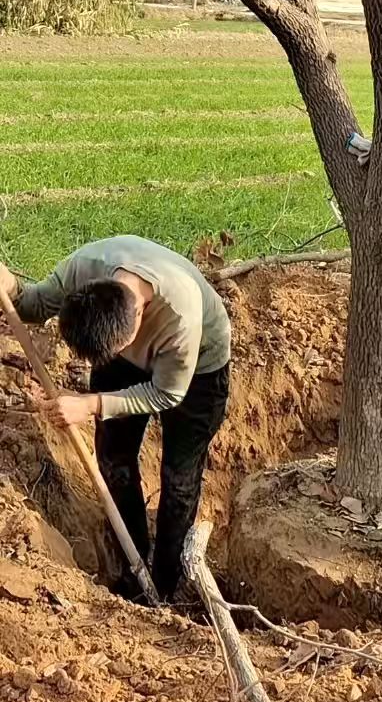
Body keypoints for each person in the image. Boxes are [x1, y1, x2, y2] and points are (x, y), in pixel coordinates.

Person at [0, 236, 231, 601]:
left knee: (179, 481)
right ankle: (133, 569)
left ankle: (166, 586)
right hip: (125, 356)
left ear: (139, 314)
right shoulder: (86, 268)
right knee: (113, 459)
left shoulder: (180, 315)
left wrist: (91, 405)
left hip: (198, 369)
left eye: (118, 349)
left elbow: (167, 394)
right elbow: (35, 303)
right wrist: (9, 283)